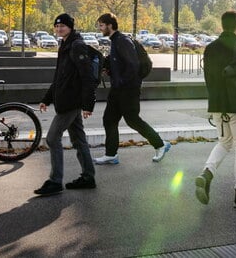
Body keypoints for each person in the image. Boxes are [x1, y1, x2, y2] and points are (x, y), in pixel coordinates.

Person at [195, 10, 236, 208]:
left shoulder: (210, 48)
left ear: (222, 25)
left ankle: (207, 173)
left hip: (217, 104)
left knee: (224, 142)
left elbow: (208, 78)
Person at [93, 12, 171, 165]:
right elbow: (120, 63)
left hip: (128, 89)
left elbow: (133, 65)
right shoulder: (115, 41)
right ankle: (111, 154)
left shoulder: (122, 41)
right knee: (109, 120)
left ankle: (160, 144)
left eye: (101, 25)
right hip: (118, 89)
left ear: (110, 25)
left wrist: (122, 81)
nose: (100, 28)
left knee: (133, 120)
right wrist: (109, 70)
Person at [35, 13, 97, 196]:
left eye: (63, 26)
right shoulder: (65, 44)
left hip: (71, 102)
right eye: (57, 26)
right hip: (67, 99)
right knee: (78, 139)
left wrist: (88, 104)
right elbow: (59, 77)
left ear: (70, 27)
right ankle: (88, 177)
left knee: (52, 138)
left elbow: (87, 77)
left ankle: (55, 181)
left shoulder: (76, 45)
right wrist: (47, 98)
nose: (59, 29)